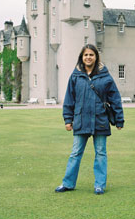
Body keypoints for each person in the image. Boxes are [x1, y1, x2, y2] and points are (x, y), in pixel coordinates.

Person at [55, 44, 124, 195]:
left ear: (96, 57)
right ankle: (67, 183)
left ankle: (99, 185)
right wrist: (68, 119)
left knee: (100, 153)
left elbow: (115, 99)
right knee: (75, 153)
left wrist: (119, 120)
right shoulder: (75, 76)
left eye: (91, 55)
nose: (88, 57)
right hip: (81, 120)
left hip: (100, 120)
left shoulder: (105, 76)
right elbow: (69, 99)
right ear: (82, 57)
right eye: (85, 55)